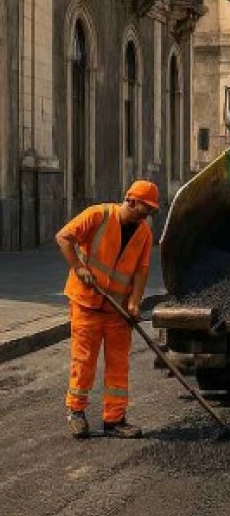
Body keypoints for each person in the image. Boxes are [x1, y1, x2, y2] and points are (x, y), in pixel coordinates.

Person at [55, 180, 159, 439]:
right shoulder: (98, 215)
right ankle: (76, 411)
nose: (146, 216)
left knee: (118, 364)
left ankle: (115, 419)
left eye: (150, 212)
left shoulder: (144, 232)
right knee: (84, 361)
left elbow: (141, 270)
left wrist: (135, 303)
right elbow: (64, 237)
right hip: (87, 304)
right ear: (131, 200)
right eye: (144, 210)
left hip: (118, 310)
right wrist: (78, 268)